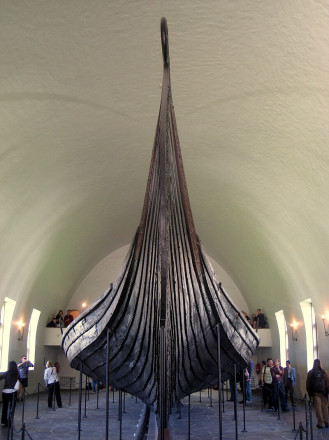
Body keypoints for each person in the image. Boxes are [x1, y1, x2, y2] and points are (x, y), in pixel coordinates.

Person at [306, 359, 329, 429]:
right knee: (324, 406)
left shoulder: (311, 372)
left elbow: (308, 384)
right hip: (323, 393)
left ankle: (320, 423)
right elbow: (327, 383)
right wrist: (327, 392)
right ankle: (326, 421)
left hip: (315, 393)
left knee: (318, 407)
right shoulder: (324, 372)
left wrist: (309, 394)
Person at [0, 361, 19, 427]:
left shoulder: (7, 373)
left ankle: (4, 421)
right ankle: (10, 421)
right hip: (13, 392)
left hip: (5, 392)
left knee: (5, 407)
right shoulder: (16, 374)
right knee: (12, 407)